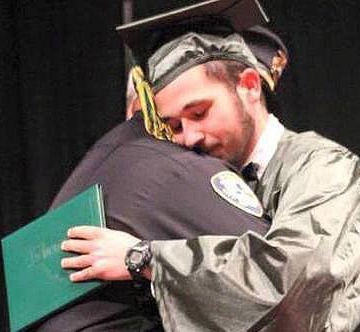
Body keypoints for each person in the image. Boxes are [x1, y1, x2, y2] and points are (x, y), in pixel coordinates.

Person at [61, 0, 360, 331]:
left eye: (199, 112)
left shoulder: (328, 171)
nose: (188, 136)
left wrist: (142, 257)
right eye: (173, 126)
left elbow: (294, 284)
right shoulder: (209, 188)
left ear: (249, 86)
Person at [32, 77, 269, 331]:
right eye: (177, 122)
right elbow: (275, 274)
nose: (189, 137)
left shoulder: (99, 162)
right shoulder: (175, 165)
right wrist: (141, 257)